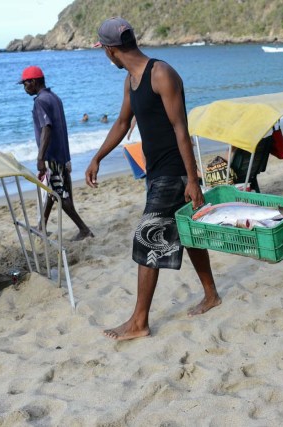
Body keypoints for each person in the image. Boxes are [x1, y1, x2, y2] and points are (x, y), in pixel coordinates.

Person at [85, 17, 220, 341]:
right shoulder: (131, 80)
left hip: (173, 171)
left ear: (111, 50)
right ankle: (211, 294)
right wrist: (97, 157)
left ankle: (139, 322)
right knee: (185, 234)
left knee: (148, 236)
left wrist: (192, 180)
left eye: (104, 50)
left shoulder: (161, 73)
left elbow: (180, 130)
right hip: (156, 170)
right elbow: (121, 122)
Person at [19, 65, 94, 241]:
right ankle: (41, 227)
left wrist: (40, 158)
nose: (24, 87)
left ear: (34, 81)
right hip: (63, 154)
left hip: (53, 157)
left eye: (25, 83)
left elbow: (47, 128)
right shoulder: (54, 97)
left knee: (60, 194)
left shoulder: (40, 101)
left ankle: (84, 229)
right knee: (53, 190)